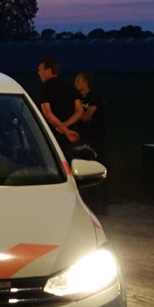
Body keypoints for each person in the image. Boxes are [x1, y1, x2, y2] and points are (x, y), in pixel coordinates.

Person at [71, 72, 110, 215]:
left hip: (95, 139)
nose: (75, 84)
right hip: (83, 138)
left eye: (78, 81)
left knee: (97, 172)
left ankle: (102, 207)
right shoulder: (80, 98)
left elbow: (87, 116)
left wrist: (77, 113)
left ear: (85, 82)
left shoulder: (94, 97)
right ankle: (89, 205)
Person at [35, 58, 83, 152]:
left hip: (51, 136)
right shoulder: (70, 87)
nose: (38, 73)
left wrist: (63, 129)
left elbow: (48, 114)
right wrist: (66, 127)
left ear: (48, 70)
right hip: (71, 136)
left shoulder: (45, 88)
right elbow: (79, 110)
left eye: (40, 70)